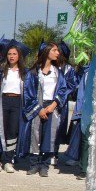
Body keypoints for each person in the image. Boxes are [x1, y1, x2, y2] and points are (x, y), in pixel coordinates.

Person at [20, 42, 68, 177]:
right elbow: (28, 93)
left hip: (51, 106)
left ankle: (44, 165)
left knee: (49, 136)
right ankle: (33, 164)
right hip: (37, 107)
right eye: (54, 50)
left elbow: (63, 90)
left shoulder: (57, 73)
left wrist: (53, 105)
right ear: (47, 52)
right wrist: (39, 109)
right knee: (34, 135)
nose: (57, 53)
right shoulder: (34, 73)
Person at [0, 40, 28, 173]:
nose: (11, 56)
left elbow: (28, 90)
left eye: (14, 54)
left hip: (17, 102)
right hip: (3, 101)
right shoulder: (1, 71)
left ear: (19, 56)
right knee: (0, 129)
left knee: (13, 130)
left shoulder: (24, 73)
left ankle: (9, 160)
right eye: (9, 53)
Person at [54, 41, 78, 160]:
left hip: (61, 104)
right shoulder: (50, 67)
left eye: (58, 51)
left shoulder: (69, 69)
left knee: (58, 127)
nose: (56, 53)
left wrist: (60, 96)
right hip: (48, 101)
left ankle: (55, 152)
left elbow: (71, 86)